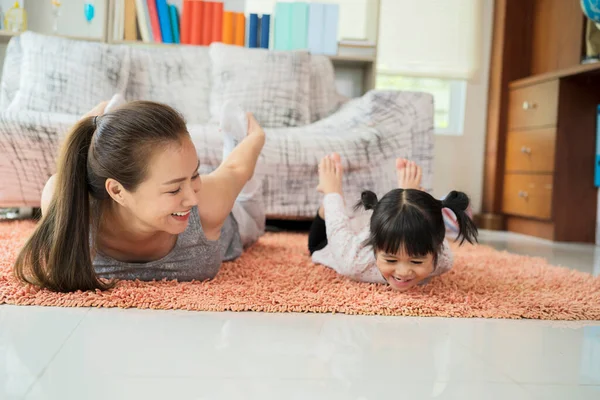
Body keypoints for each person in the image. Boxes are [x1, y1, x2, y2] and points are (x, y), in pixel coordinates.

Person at [14, 99, 266, 292]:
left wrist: (256, 138)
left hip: (231, 222)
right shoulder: (68, 203)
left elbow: (235, 169)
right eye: (174, 189)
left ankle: (233, 143)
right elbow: (71, 165)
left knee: (251, 219)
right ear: (117, 191)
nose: (193, 199)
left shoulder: (208, 202)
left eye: (195, 175)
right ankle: (109, 122)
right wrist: (98, 126)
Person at [308, 153, 478, 291]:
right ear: (375, 249)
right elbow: (337, 229)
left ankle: (408, 195)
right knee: (315, 245)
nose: (403, 273)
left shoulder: (443, 261)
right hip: (328, 243)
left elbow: (435, 228)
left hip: (371, 229)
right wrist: (332, 192)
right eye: (390, 260)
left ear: (436, 251)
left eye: (417, 261)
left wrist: (414, 198)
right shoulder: (353, 263)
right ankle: (328, 204)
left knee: (408, 212)